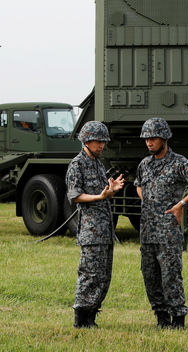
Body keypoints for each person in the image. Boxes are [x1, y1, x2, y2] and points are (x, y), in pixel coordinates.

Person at [135, 117, 188, 329]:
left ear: (165, 138)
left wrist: (182, 203)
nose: (149, 142)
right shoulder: (144, 164)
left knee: (170, 276)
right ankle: (161, 319)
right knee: (150, 276)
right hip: (147, 231)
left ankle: (178, 320)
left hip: (168, 232)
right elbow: (137, 184)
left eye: (154, 138)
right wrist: (147, 200)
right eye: (146, 138)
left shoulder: (179, 163)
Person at [65, 120, 125, 328]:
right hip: (91, 232)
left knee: (103, 276)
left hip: (105, 230)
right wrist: (100, 197)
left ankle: (91, 317)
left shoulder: (98, 164)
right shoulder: (77, 164)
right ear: (86, 141)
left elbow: (102, 194)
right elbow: (75, 196)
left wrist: (110, 190)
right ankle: (81, 320)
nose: (101, 145)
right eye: (97, 141)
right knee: (89, 275)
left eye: (103, 142)